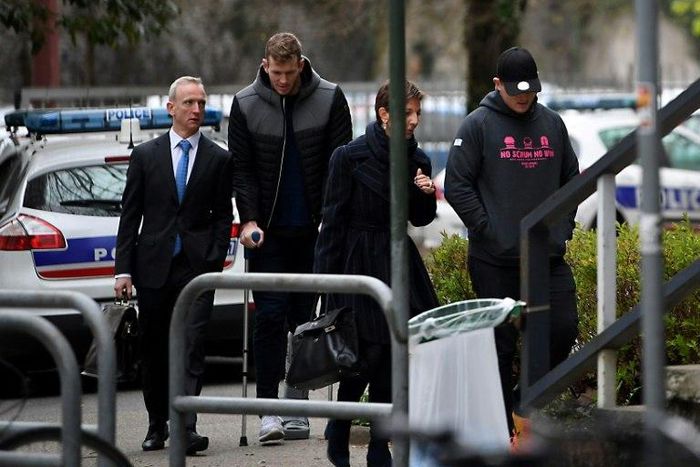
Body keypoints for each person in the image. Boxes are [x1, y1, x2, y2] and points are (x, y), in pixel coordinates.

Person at [444, 47, 580, 438]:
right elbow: (457, 183)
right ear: (497, 85)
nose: (524, 97)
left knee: (562, 329)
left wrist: (562, 229)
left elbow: (571, 180)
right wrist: (489, 229)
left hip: (547, 257)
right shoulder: (478, 125)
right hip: (494, 259)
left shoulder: (552, 124)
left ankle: (525, 402)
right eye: (516, 90)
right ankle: (503, 432)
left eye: (530, 90)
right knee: (500, 349)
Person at [228, 32, 352, 444]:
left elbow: (340, 165)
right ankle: (268, 410)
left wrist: (333, 222)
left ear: (301, 64)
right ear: (265, 65)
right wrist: (248, 220)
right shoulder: (245, 104)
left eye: (288, 72)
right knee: (267, 318)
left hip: (314, 230)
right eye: (275, 72)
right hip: (268, 232)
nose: (282, 80)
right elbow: (242, 170)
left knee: (305, 320)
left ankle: (295, 403)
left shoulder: (330, 98)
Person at [314, 80, 439, 467]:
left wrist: (424, 192)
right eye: (408, 112)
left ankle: (378, 444)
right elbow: (331, 223)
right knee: (362, 355)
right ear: (385, 114)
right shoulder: (349, 157)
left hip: (397, 259)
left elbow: (420, 219)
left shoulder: (417, 159)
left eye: (418, 113)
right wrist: (325, 284)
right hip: (357, 260)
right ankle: (340, 424)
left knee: (392, 354)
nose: (415, 121)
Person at [114, 76, 233, 455]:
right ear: (171, 108)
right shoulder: (146, 156)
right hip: (153, 267)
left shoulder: (218, 158)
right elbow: (130, 216)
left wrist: (213, 258)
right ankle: (156, 424)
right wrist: (123, 269)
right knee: (154, 347)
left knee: (192, 345)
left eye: (201, 103)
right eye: (189, 103)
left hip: (197, 268)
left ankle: (187, 424)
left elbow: (220, 217)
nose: (196, 110)